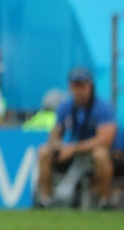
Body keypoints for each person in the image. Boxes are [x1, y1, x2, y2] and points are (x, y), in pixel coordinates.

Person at [36, 67, 118, 209]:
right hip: (74, 153)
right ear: (70, 87)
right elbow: (56, 132)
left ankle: (105, 200)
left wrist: (73, 148)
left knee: (100, 154)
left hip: (95, 153)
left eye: (82, 86)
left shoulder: (103, 107)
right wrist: (55, 144)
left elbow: (104, 140)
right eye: (75, 86)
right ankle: (45, 200)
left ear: (90, 86)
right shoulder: (65, 107)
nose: (78, 90)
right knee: (44, 151)